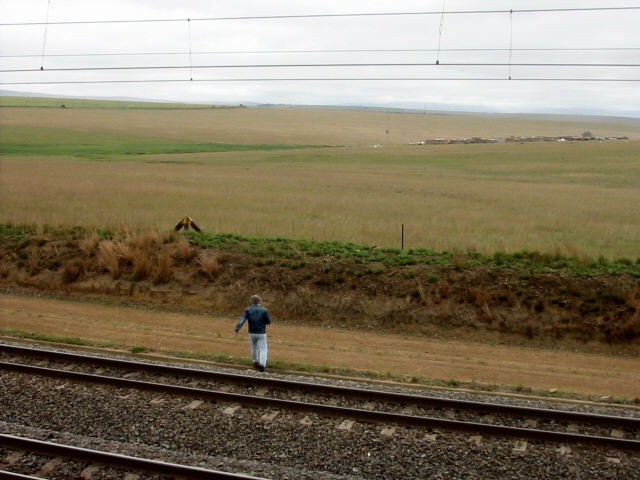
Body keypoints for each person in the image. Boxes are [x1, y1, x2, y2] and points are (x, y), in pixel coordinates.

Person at [234, 294, 272, 372]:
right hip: (261, 332)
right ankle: (262, 364)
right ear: (260, 301)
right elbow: (268, 322)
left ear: (251, 301)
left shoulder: (248, 310)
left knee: (254, 347)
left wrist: (237, 329)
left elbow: (242, 320)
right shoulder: (264, 310)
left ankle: (255, 361)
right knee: (263, 348)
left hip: (251, 332)